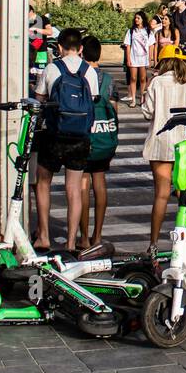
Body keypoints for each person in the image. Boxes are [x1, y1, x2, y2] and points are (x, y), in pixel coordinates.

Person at [33, 28, 99, 251]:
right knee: (74, 188)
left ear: (59, 47)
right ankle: (72, 242)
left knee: (43, 182)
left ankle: (43, 236)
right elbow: (93, 101)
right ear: (80, 48)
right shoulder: (89, 71)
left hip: (54, 134)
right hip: (80, 136)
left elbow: (39, 99)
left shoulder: (52, 68)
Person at [142, 53, 186, 249]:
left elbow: (147, 112)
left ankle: (153, 243)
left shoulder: (157, 82)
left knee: (161, 194)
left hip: (161, 143)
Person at [79, 36, 116, 252]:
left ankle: (83, 237)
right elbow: (114, 110)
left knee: (83, 184)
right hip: (104, 137)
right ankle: (98, 234)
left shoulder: (82, 75)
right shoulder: (109, 80)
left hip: (86, 135)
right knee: (100, 183)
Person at [123, 10, 150, 108]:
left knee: (143, 78)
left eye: (138, 18)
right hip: (133, 58)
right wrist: (128, 59)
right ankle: (133, 99)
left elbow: (151, 45)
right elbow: (128, 45)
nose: (136, 20)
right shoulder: (131, 31)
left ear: (143, 19)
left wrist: (150, 59)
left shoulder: (147, 30)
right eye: (135, 18)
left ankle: (142, 98)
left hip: (144, 58)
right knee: (133, 78)